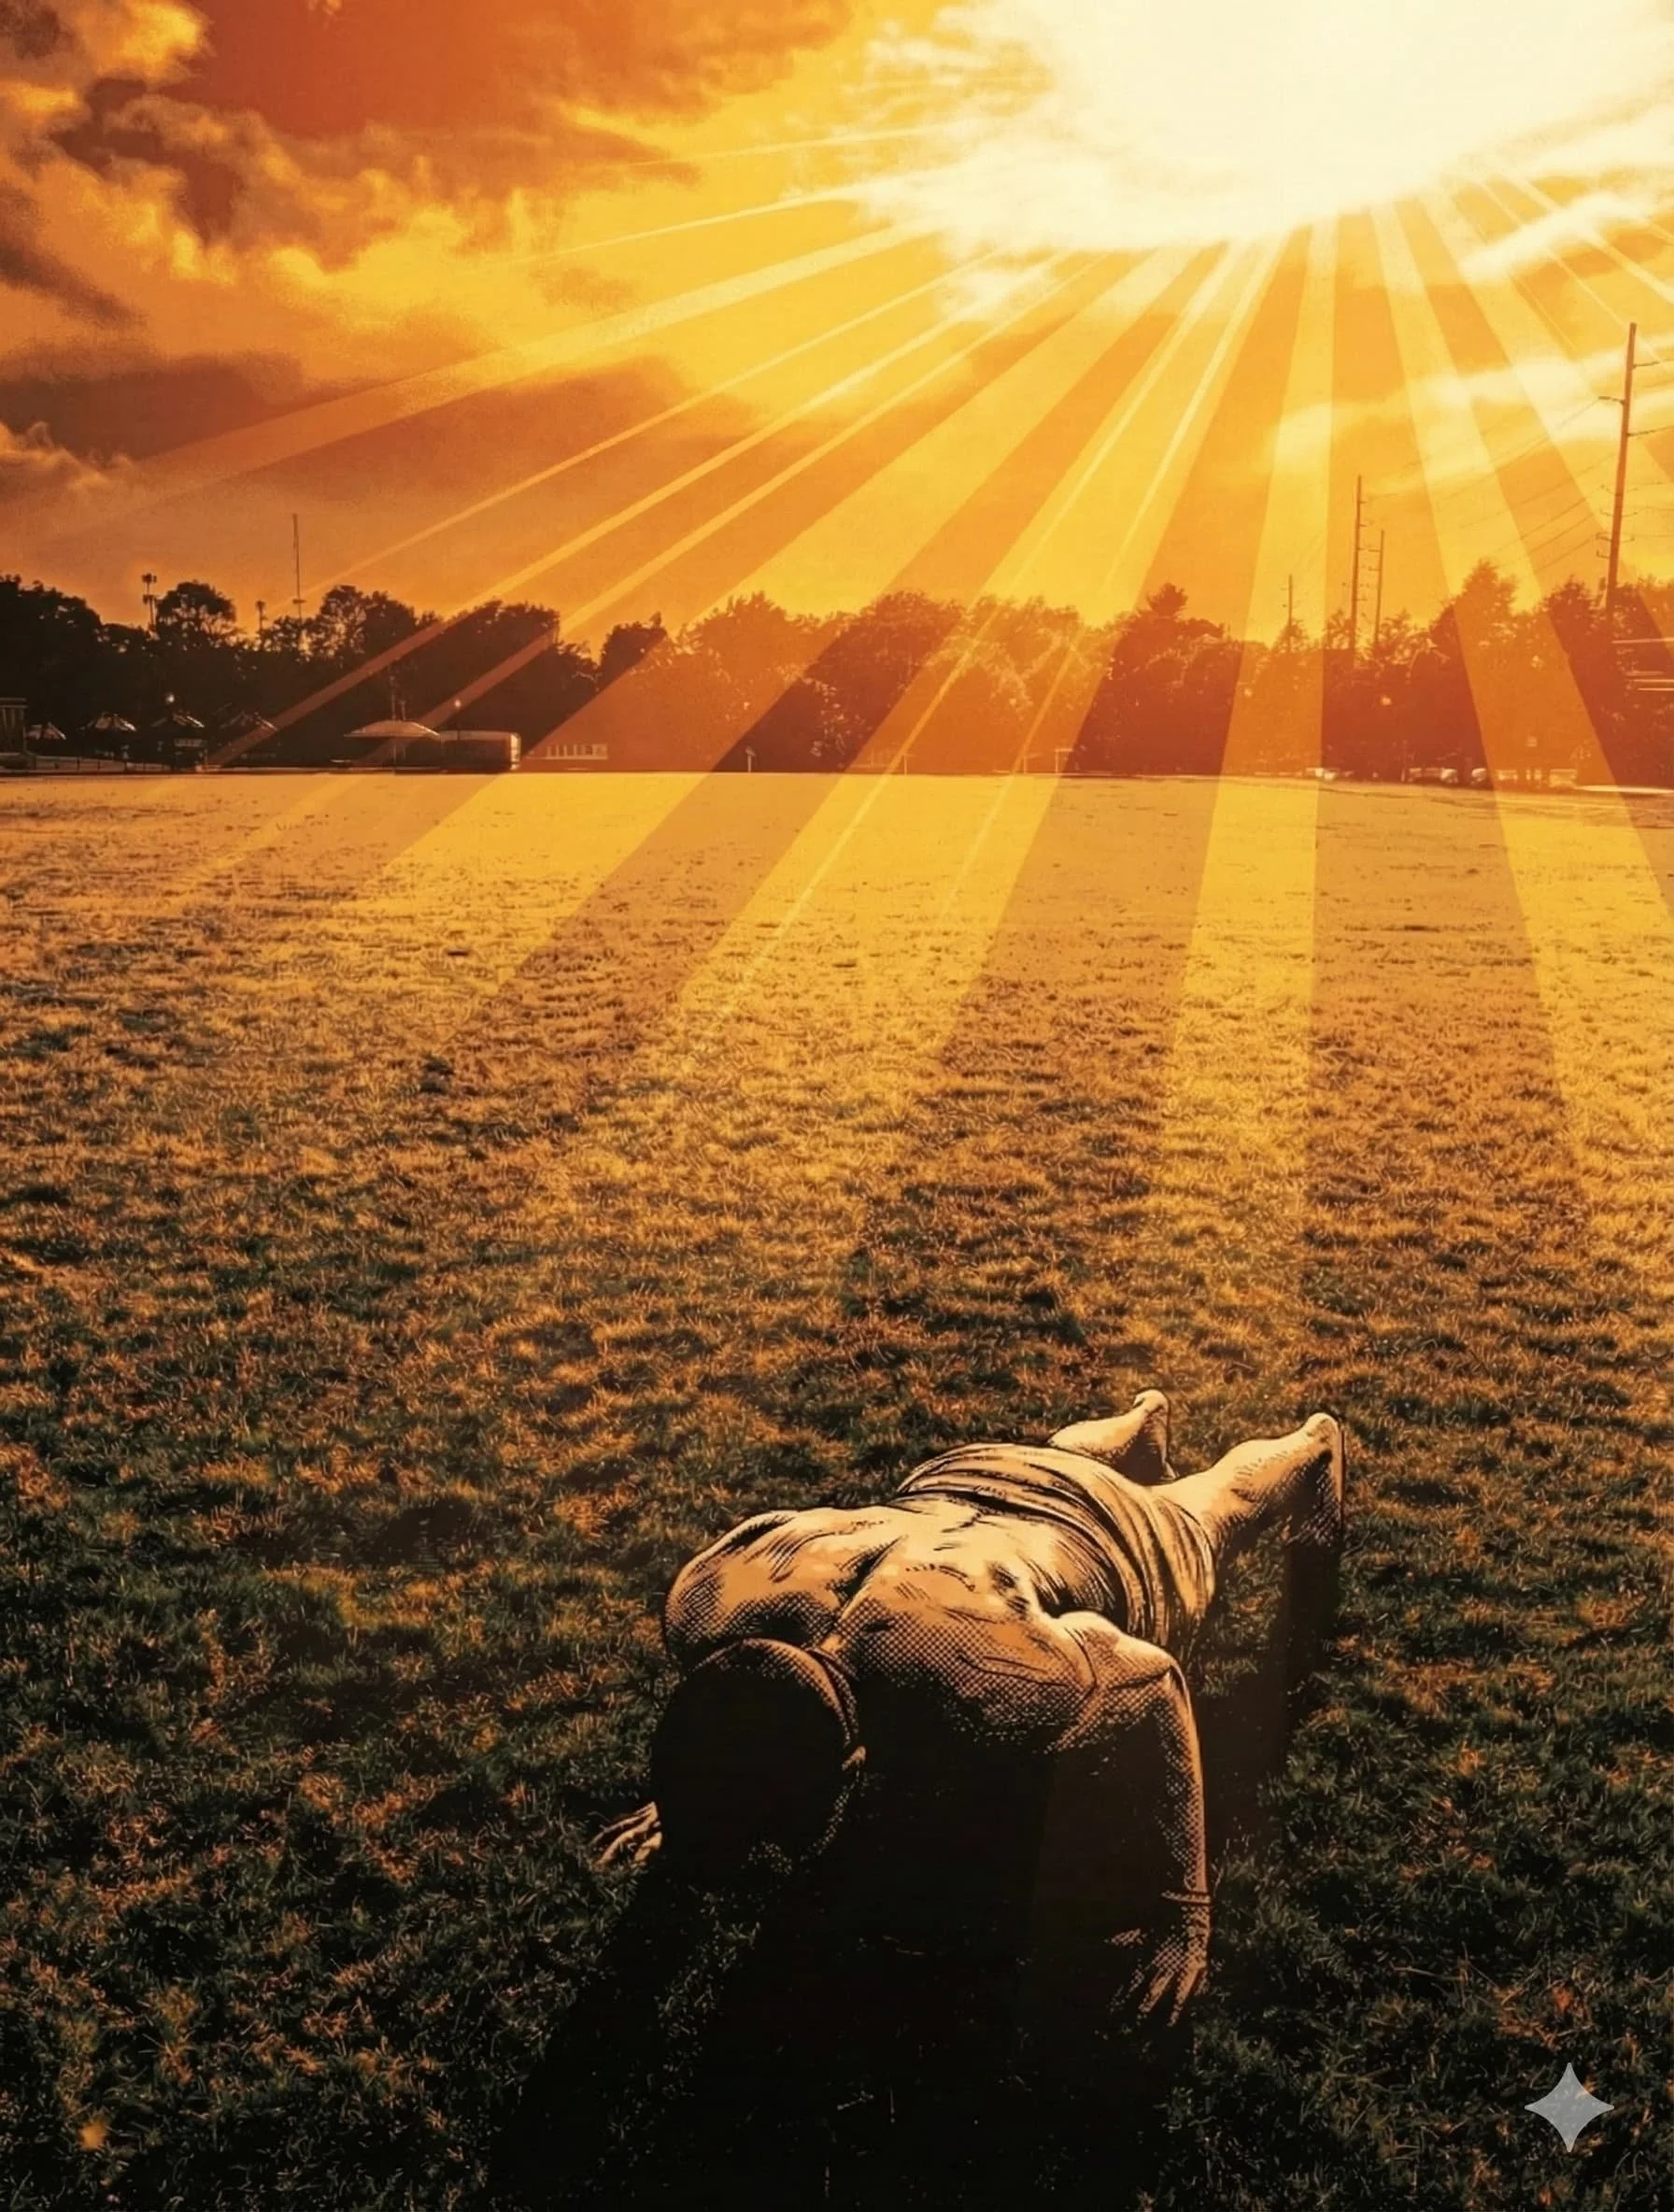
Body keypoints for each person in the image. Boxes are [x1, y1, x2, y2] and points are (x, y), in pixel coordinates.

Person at [594, 1391, 1345, 2051]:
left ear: (858, 1763)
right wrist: (698, 1793)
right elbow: (738, 1693)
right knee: (1063, 1463)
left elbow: (1153, 1682)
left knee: (1214, 1506)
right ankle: (1141, 1421)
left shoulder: (990, 1675)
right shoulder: (708, 1600)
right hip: (969, 1477)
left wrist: (1180, 1913)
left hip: (1114, 1532)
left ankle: (1310, 1444)